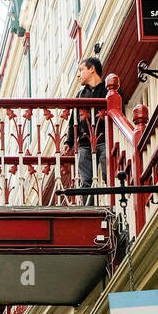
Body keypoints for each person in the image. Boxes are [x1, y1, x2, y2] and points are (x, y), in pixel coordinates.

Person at [66, 56, 107, 204]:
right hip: (84, 143)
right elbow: (73, 120)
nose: (78, 75)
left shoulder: (107, 90)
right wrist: (68, 141)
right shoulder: (80, 95)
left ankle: (113, 205)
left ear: (92, 69)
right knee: (86, 181)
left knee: (108, 172)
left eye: (81, 70)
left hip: (104, 139)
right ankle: (89, 210)